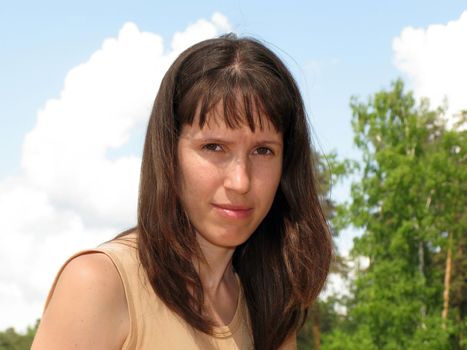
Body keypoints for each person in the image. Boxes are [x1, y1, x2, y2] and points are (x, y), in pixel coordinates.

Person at [32, 33, 332, 350]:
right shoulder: (98, 284)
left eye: (263, 151)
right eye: (214, 147)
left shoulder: (271, 309)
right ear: (169, 154)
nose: (240, 181)